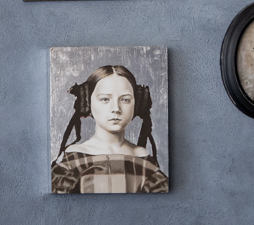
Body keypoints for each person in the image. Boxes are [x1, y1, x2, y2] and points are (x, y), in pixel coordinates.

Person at [51, 65, 167, 194]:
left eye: (125, 99)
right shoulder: (72, 163)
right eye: (105, 99)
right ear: (87, 103)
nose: (116, 108)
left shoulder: (145, 160)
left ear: (138, 104)